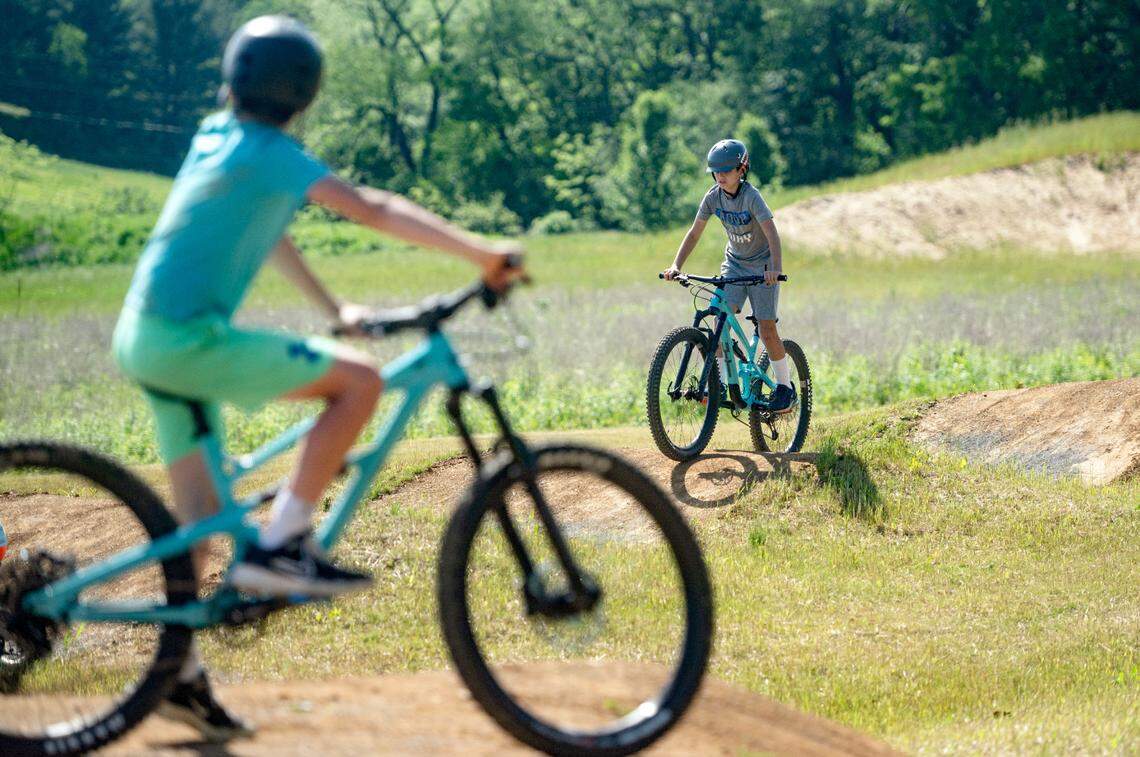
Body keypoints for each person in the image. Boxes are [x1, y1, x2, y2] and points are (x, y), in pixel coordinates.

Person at [111, 15, 522, 740]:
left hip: (147, 336)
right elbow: (373, 207)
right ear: (304, 94)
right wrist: (481, 251)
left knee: (201, 520)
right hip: (184, 342)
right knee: (361, 382)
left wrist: (334, 309)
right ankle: (283, 546)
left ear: (235, 80)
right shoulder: (271, 152)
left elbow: (272, 228)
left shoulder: (221, 136)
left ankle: (176, 674)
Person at [661, 138, 795, 412]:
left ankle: (785, 388)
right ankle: (720, 381)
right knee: (718, 317)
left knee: (767, 328)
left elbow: (772, 233)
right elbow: (695, 232)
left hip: (762, 267)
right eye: (716, 171)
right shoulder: (713, 197)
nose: (720, 176)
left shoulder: (751, 197)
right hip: (734, 264)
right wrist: (676, 265)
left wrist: (775, 268)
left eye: (726, 170)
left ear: (741, 169)